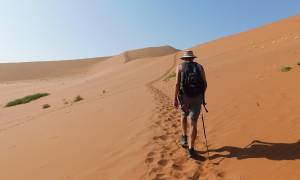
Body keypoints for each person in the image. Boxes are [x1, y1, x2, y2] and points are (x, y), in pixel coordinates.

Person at [173, 50, 207, 158]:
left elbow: (177, 84)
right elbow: (205, 84)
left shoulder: (179, 67)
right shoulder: (200, 67)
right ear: (193, 58)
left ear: (184, 58)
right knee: (193, 123)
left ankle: (184, 137)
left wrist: (175, 99)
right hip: (197, 98)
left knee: (183, 115)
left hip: (184, 98)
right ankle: (191, 150)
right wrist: (202, 96)